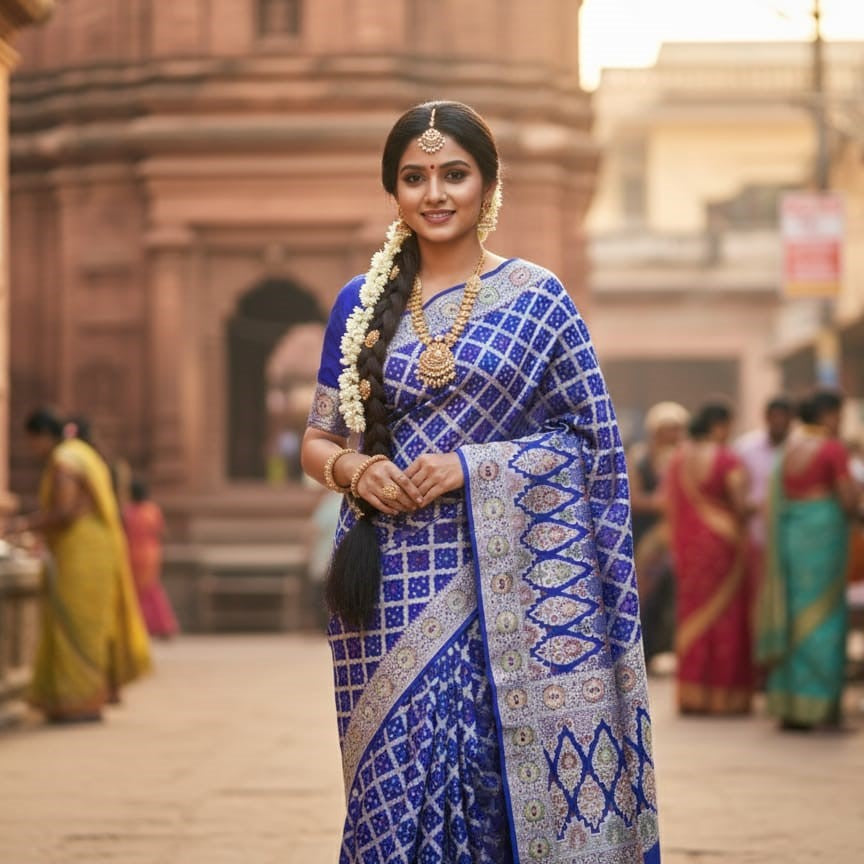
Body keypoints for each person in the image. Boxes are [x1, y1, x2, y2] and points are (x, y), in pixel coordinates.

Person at [300, 102, 659, 863]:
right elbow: (318, 439)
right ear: (393, 191)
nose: (435, 193)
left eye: (454, 174)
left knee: (486, 770)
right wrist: (356, 467)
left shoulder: (540, 299)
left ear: (489, 186)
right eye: (414, 177)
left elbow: (590, 443)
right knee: (392, 786)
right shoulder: (357, 307)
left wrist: (472, 466)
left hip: (514, 585)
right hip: (388, 583)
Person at [14, 409, 151, 723]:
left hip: (79, 551)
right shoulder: (87, 455)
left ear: (42, 436)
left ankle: (76, 702)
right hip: (102, 549)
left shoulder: (64, 460)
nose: (31, 449)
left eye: (31, 441)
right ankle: (90, 699)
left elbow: (64, 511)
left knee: (72, 623)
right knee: (91, 625)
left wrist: (23, 525)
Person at [757, 390, 859, 731]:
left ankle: (791, 705)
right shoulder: (832, 448)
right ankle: (820, 707)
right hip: (824, 538)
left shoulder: (789, 449)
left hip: (792, 540)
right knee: (824, 619)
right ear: (828, 414)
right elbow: (847, 499)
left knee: (794, 615)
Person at [666, 400, 753, 714]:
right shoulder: (727, 459)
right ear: (719, 426)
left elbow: (670, 507)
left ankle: (693, 696)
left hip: (689, 548)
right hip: (724, 545)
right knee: (726, 615)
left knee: (693, 614)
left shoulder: (677, 460)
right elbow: (741, 504)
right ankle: (724, 698)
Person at [629, 401, 689, 665]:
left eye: (677, 428)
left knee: (678, 594)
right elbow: (634, 496)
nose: (672, 434)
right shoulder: (640, 457)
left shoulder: (687, 457)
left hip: (683, 535)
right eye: (667, 428)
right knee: (646, 594)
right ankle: (646, 653)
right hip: (649, 536)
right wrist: (664, 503)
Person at [734, 396, 794, 620]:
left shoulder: (798, 449)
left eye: (784, 418)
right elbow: (736, 490)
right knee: (756, 599)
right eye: (775, 417)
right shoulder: (745, 449)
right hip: (755, 536)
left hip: (791, 536)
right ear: (766, 418)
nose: (779, 422)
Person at [122, 479, 179, 639]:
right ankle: (164, 626)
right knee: (152, 591)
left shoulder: (128, 511)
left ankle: (137, 627)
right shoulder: (152, 510)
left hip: (132, 555)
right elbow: (162, 532)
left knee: (135, 594)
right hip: (151, 555)